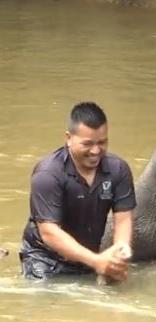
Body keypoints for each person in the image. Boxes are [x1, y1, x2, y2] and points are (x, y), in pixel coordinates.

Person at [19, 102, 136, 282]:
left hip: (88, 257)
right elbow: (49, 232)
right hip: (45, 259)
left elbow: (123, 219)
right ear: (68, 138)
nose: (96, 151)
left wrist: (120, 252)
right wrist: (97, 262)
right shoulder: (48, 174)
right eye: (87, 144)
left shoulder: (118, 170)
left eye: (102, 142)